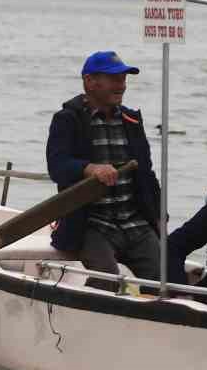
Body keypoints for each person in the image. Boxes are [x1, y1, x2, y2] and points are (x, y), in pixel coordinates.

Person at [45, 50, 163, 291]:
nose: (121, 85)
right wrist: (89, 169)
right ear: (90, 81)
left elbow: (147, 175)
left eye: (123, 79)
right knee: (106, 280)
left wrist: (160, 217)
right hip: (92, 224)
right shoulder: (68, 119)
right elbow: (57, 167)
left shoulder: (131, 120)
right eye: (114, 79)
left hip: (135, 222)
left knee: (164, 279)